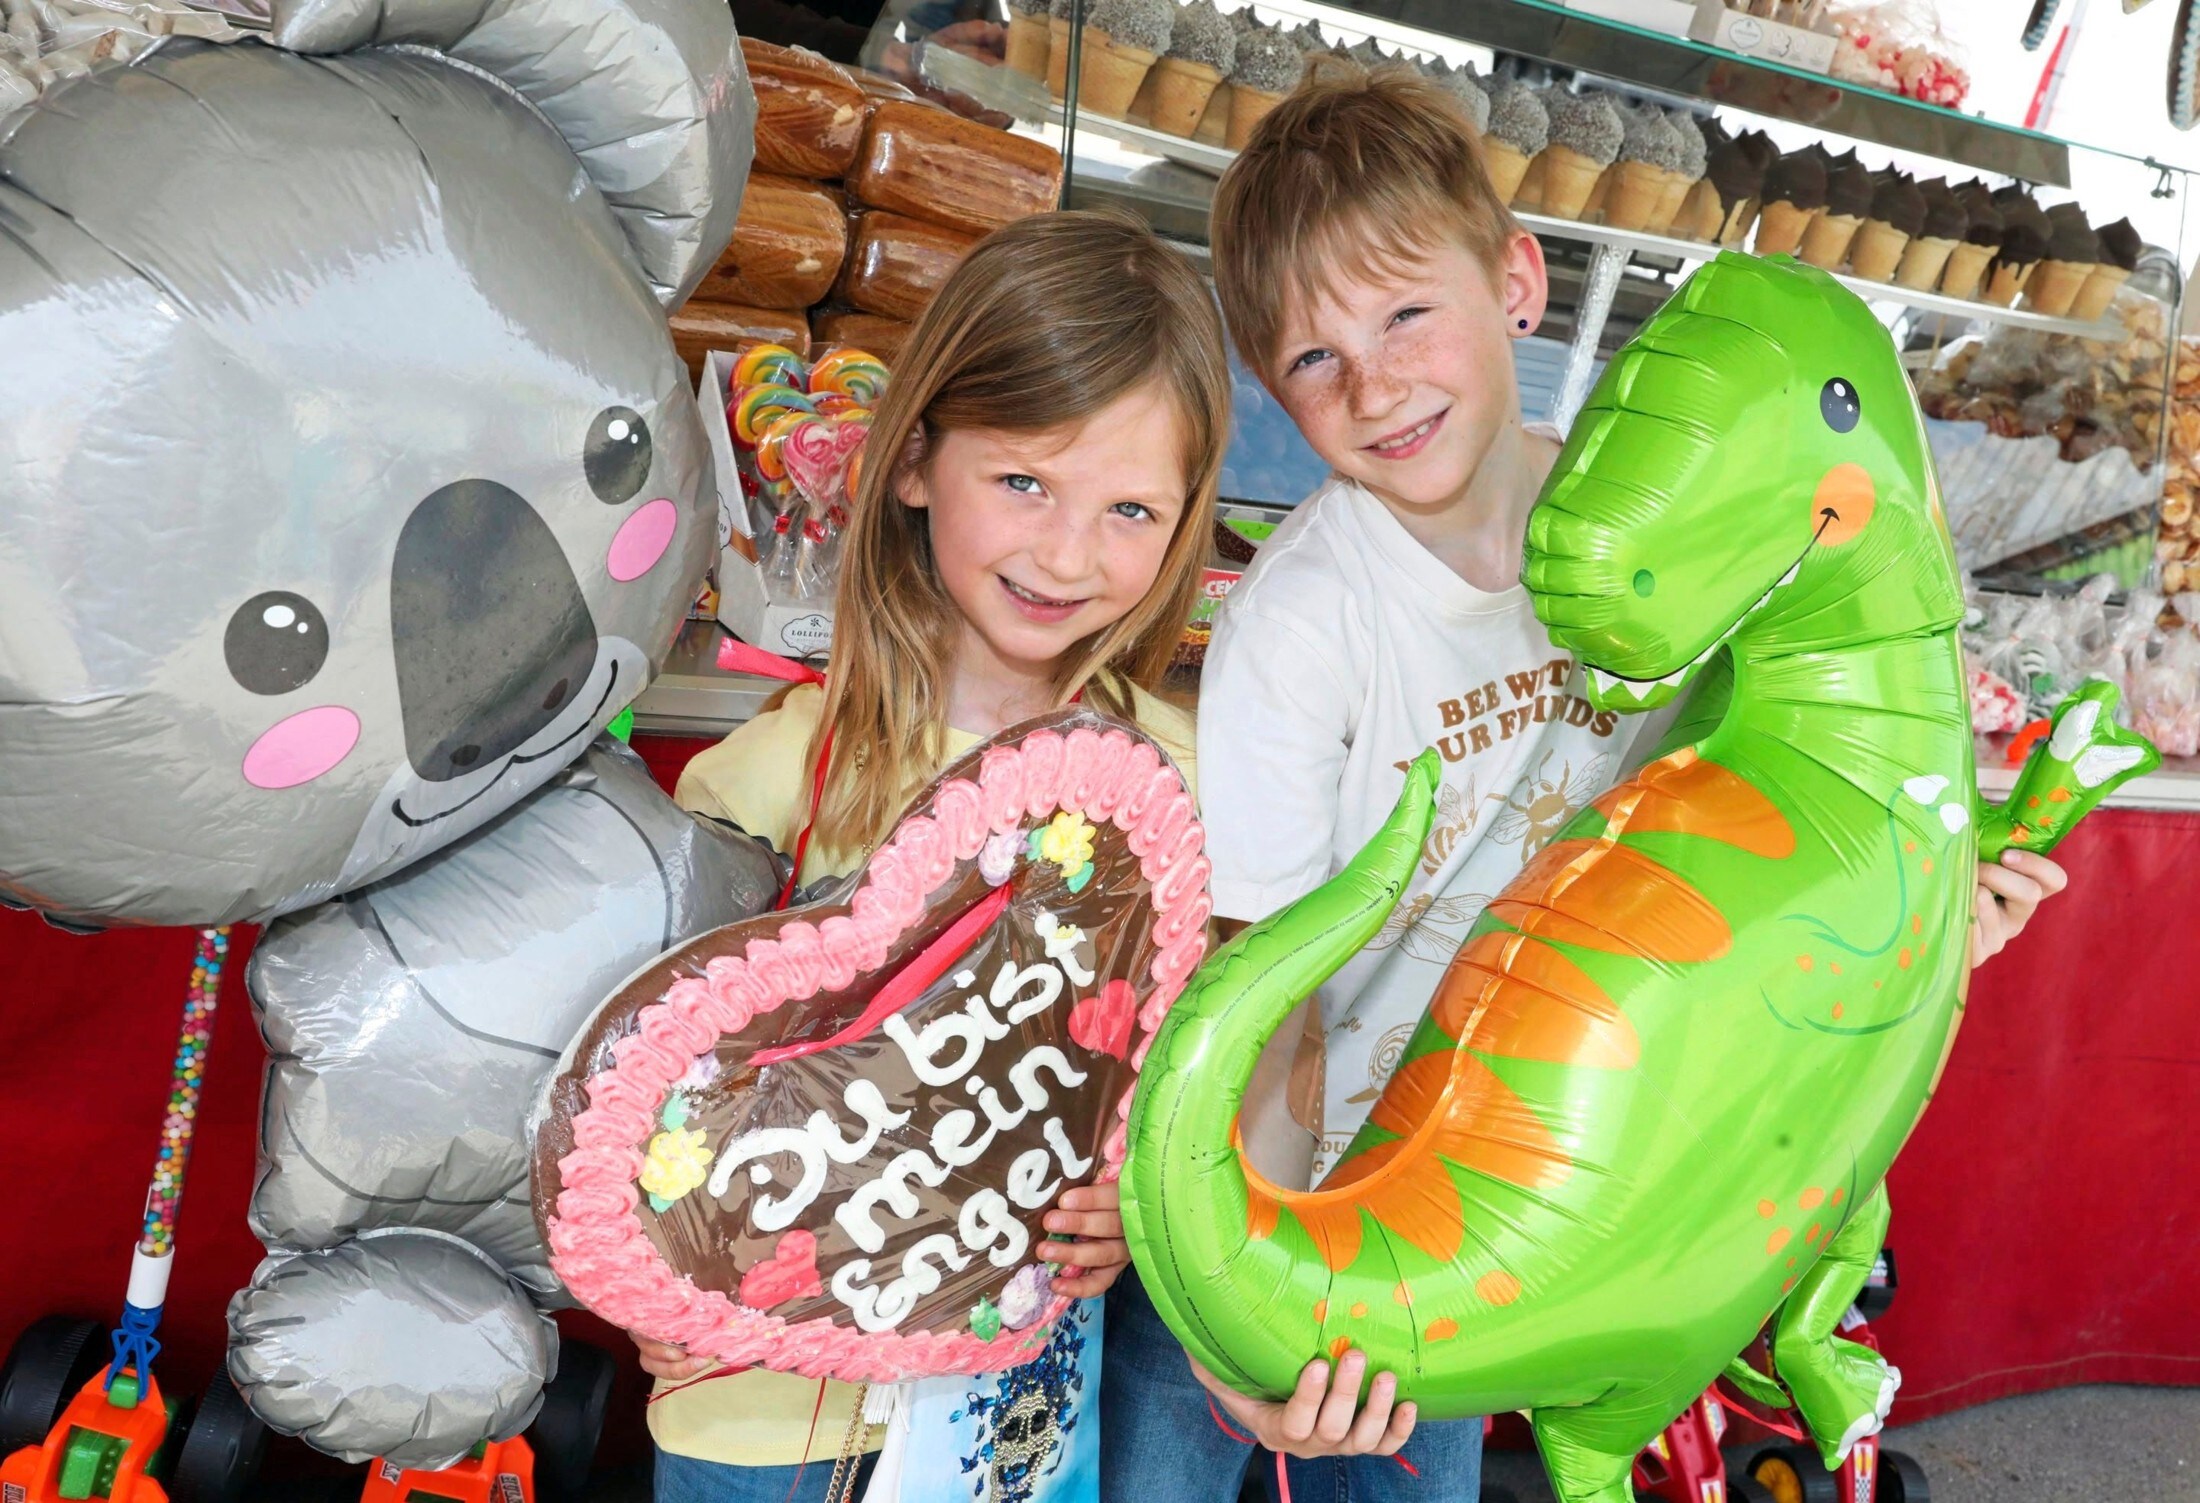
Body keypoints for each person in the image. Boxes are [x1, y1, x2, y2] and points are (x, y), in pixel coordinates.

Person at [1103, 63, 2069, 1503]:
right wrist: (1233, 1313)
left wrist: (1937, 901)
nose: (1373, 385)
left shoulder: (1690, 539)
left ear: (1516, 282)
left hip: (1480, 1210)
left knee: (1411, 1484)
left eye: (1405, 315)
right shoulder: (1301, 618)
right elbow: (1268, 971)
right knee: (1163, 1468)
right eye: (1313, 360)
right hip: (1288, 1184)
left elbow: (1795, 836)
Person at [636, 208, 1230, 1503]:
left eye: (1130, 507)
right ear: (914, 464)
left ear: (1186, 522)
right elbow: (646, 1096)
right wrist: (648, 1271)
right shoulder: (774, 783)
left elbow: (1207, 1088)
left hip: (999, 1419)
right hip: (754, 1412)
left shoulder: (1180, 798)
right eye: (1024, 480)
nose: (1069, 552)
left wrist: (1137, 1202)